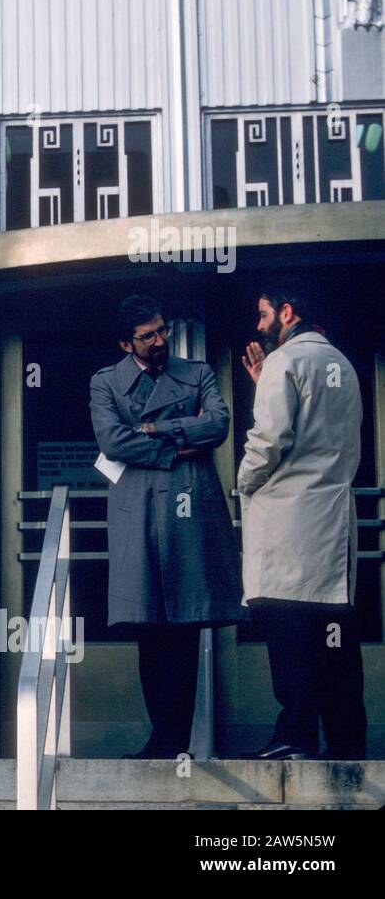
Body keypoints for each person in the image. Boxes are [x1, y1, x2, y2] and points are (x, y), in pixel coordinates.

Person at [89, 295, 242, 759]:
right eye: (147, 336)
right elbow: (112, 441)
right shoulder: (106, 382)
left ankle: (176, 741)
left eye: (162, 330)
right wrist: (177, 443)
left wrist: (154, 432)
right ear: (125, 343)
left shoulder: (197, 372)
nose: (160, 340)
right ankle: (163, 737)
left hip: (189, 508)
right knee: (149, 626)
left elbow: (218, 424)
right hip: (138, 512)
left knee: (186, 624)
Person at [237, 287, 365, 760]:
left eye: (264, 313)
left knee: (289, 635)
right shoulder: (345, 367)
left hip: (288, 523)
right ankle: (347, 740)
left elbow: (270, 437)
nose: (259, 325)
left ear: (288, 313)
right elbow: (321, 431)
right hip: (331, 523)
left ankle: (294, 735)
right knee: (334, 640)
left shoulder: (284, 362)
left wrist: (244, 479)